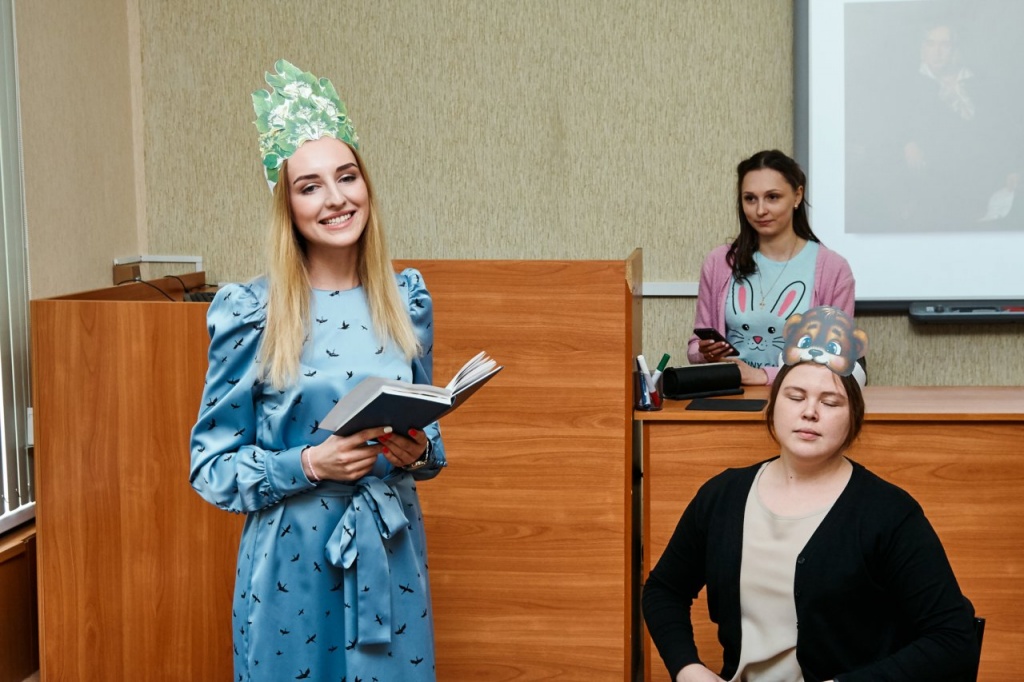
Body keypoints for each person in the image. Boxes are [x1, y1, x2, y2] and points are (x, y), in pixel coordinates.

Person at [189, 59, 446, 681]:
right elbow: (210, 468)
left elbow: (431, 438)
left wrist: (419, 452)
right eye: (310, 186)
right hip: (291, 564)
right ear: (288, 207)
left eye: (346, 177)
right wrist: (307, 464)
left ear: (366, 187)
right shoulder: (252, 313)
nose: (336, 199)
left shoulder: (405, 301)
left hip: (391, 553)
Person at [645, 307, 979, 682]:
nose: (810, 412)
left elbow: (953, 639)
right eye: (795, 396)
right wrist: (688, 669)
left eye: (830, 402)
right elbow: (663, 590)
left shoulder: (890, 514)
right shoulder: (722, 496)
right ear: (772, 406)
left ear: (854, 417)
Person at [688, 150, 856, 386]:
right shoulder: (719, 262)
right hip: (731, 396)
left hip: (799, 396)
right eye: (750, 199)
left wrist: (763, 376)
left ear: (797, 196)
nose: (760, 210)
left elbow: (835, 358)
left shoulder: (833, 269)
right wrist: (705, 353)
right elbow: (694, 348)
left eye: (773, 197)